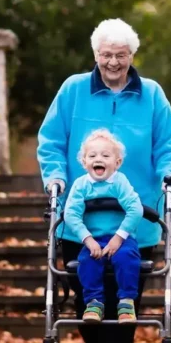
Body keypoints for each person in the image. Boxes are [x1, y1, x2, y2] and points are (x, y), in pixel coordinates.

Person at [37, 18, 171, 343]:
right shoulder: (73, 91)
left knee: (127, 289)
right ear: (95, 55)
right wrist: (54, 176)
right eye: (106, 55)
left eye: (121, 55)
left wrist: (170, 175)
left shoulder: (151, 95)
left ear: (132, 55)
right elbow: (51, 140)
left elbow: (169, 143)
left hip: (137, 219)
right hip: (81, 217)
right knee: (84, 284)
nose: (113, 63)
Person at [63, 129, 144, 324]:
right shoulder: (81, 185)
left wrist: (119, 238)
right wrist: (88, 239)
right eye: (92, 155)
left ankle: (126, 302)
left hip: (121, 239)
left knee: (127, 258)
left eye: (105, 155)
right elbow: (70, 214)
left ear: (117, 163)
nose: (98, 158)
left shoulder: (120, 182)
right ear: (84, 162)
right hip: (94, 239)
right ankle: (94, 302)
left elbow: (135, 209)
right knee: (87, 260)